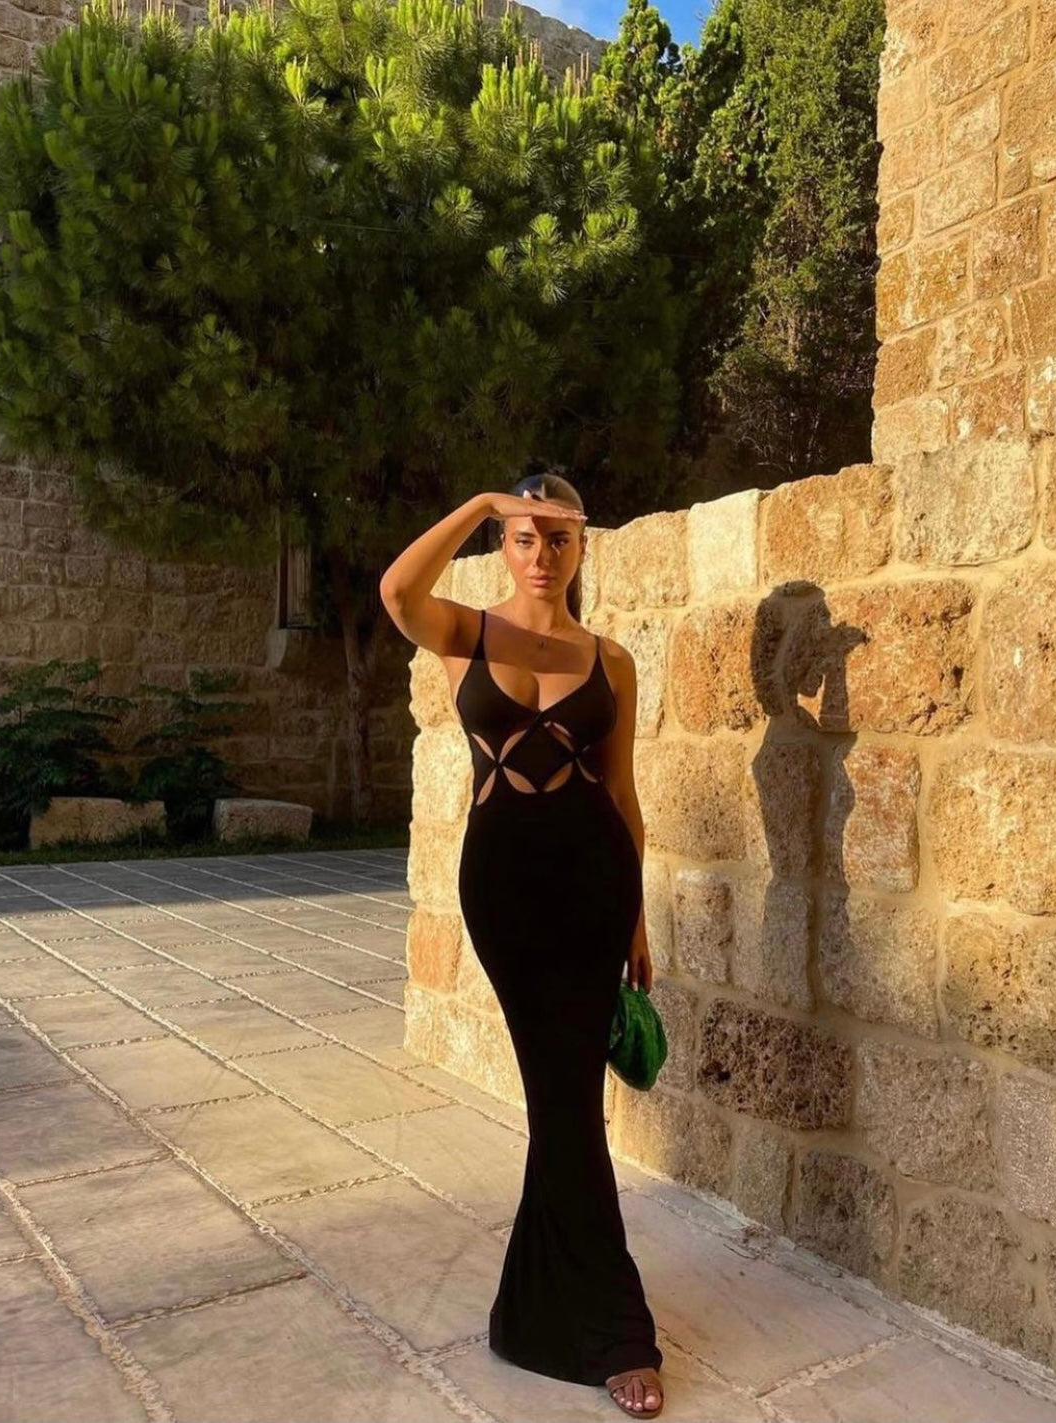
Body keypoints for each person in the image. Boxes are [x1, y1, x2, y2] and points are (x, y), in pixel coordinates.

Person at [379, 469, 666, 1418]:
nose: (542, 554)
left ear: (582, 548)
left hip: (594, 885)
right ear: (504, 545)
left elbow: (621, 792)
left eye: (559, 538)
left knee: (566, 1101)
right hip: (503, 887)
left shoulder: (611, 659)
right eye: (525, 536)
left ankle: (569, 1319)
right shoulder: (464, 632)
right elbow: (396, 590)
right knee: (561, 1096)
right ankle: (587, 1321)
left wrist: (635, 916)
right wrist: (478, 506)